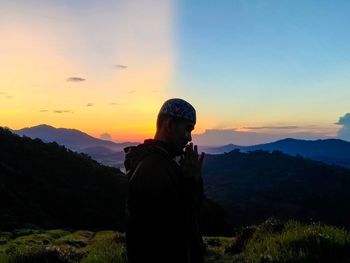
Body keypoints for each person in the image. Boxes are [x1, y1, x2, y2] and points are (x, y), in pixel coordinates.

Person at [124, 98, 205, 263]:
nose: (189, 138)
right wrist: (191, 180)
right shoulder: (153, 169)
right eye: (187, 129)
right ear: (169, 125)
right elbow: (175, 227)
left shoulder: (162, 163)